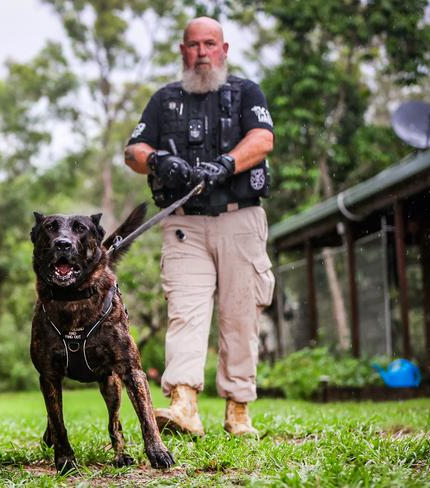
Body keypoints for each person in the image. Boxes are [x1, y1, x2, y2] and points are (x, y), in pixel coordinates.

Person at [124, 17, 275, 437]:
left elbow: (263, 139)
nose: (202, 52)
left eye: (210, 44)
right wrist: (158, 160)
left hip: (239, 218)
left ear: (224, 50)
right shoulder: (163, 100)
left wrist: (227, 162)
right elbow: (132, 150)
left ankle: (238, 410)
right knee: (185, 314)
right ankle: (184, 404)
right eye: (194, 45)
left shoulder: (246, 92)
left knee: (240, 316)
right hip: (183, 225)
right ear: (182, 50)